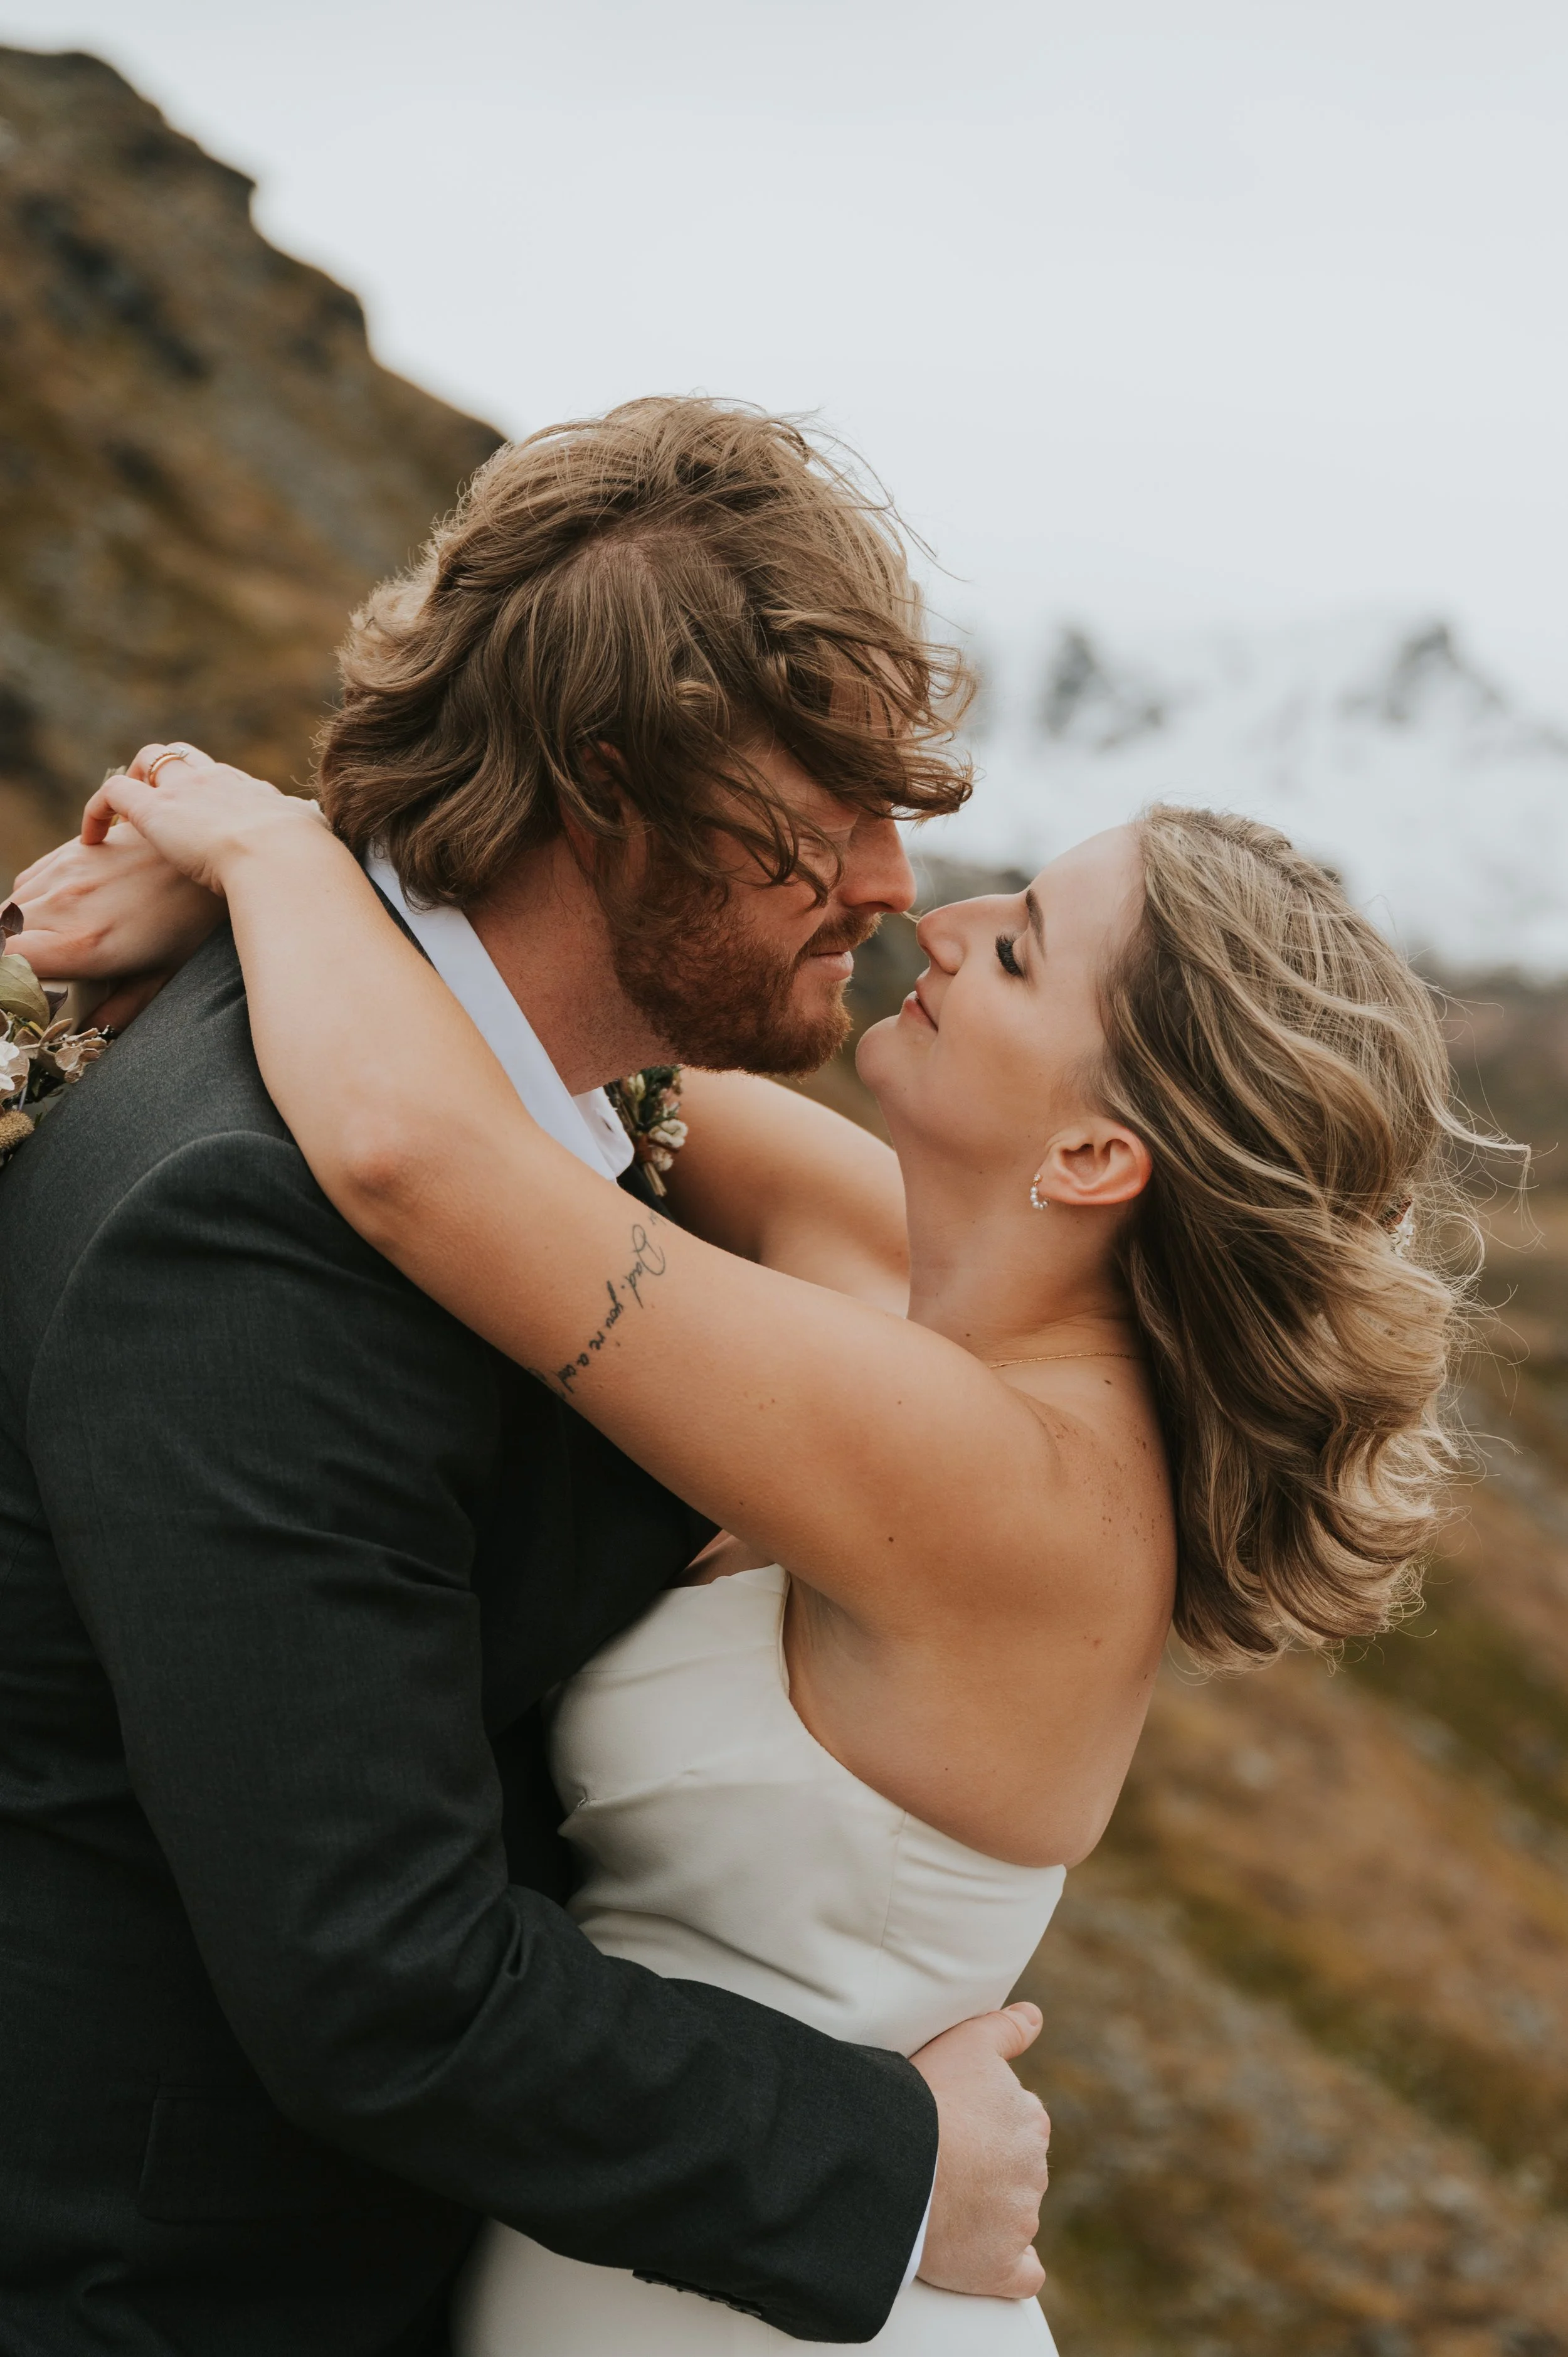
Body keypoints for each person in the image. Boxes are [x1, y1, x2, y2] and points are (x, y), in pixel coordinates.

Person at [26, 717, 1481, 2353]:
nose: (938, 914)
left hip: (759, 2300)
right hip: (646, 2237)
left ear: (1090, 1154)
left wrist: (256, 846)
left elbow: (426, 1151)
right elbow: (533, 1014)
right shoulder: (899, 1278)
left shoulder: (1001, 1473)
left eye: (1013, 949)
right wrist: (224, 869)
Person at [0, 402, 1054, 2357]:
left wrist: (269, 855)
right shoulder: (246, 1223)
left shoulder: (560, 1116)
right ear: (608, 791)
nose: (895, 880)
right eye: (823, 812)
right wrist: (884, 2163)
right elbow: (374, 1973)